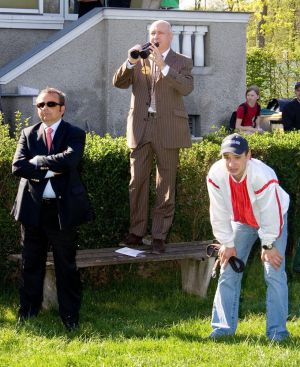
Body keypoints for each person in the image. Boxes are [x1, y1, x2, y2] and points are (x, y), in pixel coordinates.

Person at [11, 87, 93, 331]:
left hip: (62, 210)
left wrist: (37, 162)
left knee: (65, 266)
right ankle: (28, 312)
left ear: (62, 108)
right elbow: (17, 166)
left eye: (49, 104)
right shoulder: (27, 133)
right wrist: (50, 169)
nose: (43, 109)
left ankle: (70, 317)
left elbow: (70, 161)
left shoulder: (74, 133)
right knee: (30, 264)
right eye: (39, 105)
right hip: (32, 209)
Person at [113, 20, 193, 254]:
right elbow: (118, 83)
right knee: (136, 181)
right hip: (140, 127)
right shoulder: (139, 58)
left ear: (170, 36)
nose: (155, 35)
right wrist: (130, 61)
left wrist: (164, 66)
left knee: (165, 184)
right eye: (152, 32)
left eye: (159, 32)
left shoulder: (182, 61)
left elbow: (187, 88)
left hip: (168, 128)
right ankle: (136, 232)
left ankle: (159, 235)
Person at [206, 133, 290, 341]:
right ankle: (222, 329)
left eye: (237, 157)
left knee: (274, 271)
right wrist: (227, 243)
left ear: (248, 156)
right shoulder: (216, 175)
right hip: (241, 220)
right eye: (226, 157)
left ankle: (277, 333)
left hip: (272, 220)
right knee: (227, 268)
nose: (231, 163)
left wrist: (268, 244)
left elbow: (271, 213)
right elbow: (218, 212)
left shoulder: (263, 176)